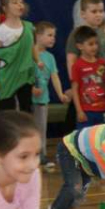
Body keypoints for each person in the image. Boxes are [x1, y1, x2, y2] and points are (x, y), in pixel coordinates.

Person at [0, 0, 39, 114]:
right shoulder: (1, 31)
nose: (20, 5)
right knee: (8, 109)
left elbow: (32, 47)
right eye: (15, 2)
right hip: (8, 75)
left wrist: (38, 61)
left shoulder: (29, 26)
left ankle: (26, 132)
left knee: (26, 108)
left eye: (21, 2)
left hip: (24, 73)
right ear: (5, 8)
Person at [32, 20, 70, 168]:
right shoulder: (30, 54)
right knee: (27, 128)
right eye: (49, 35)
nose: (53, 38)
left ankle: (41, 155)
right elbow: (25, 74)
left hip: (42, 99)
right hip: (29, 99)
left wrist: (60, 94)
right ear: (38, 36)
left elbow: (54, 76)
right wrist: (31, 89)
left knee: (41, 128)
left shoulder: (50, 57)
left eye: (54, 35)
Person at [70, 26, 105, 130]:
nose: (95, 47)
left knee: (102, 138)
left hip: (103, 109)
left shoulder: (102, 63)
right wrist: (79, 111)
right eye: (90, 44)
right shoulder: (77, 66)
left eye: (96, 43)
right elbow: (75, 89)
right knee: (86, 139)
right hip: (87, 111)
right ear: (80, 46)